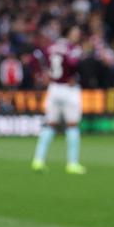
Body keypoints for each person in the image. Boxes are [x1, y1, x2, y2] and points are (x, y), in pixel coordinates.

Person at [30, 25, 86, 175]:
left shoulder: (51, 46)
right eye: (75, 32)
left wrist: (43, 73)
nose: (78, 35)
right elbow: (75, 64)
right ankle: (72, 163)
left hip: (54, 89)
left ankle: (38, 160)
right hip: (69, 89)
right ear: (68, 33)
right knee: (72, 125)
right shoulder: (72, 48)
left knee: (50, 124)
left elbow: (36, 56)